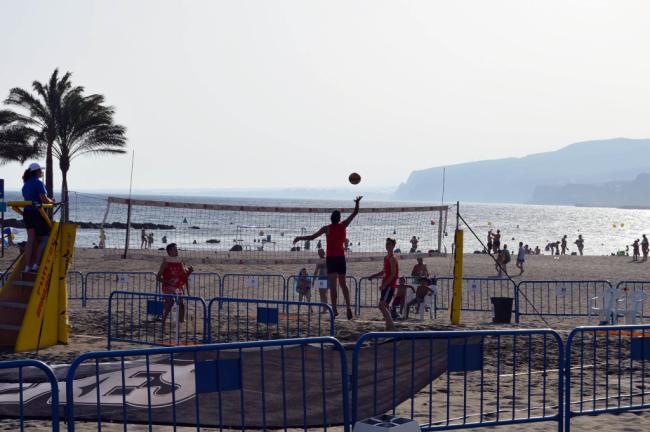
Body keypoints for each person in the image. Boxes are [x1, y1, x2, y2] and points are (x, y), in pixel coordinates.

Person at [293, 196, 362, 319]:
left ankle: (334, 310)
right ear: (339, 218)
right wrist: (357, 203)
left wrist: (299, 238)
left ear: (331, 218)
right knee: (343, 284)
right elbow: (355, 212)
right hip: (340, 258)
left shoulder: (327, 228)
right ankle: (348, 308)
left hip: (331, 259)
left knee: (333, 286)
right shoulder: (343, 225)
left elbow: (312, 237)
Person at [21, 163, 55, 273]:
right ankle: (37, 264)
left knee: (30, 240)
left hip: (27, 213)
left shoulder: (25, 184)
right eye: (41, 170)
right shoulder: (38, 183)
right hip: (37, 213)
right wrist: (52, 202)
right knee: (46, 237)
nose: (42, 172)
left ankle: (27, 266)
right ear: (37, 172)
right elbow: (44, 199)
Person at [156, 243, 193, 330]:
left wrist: (190, 271)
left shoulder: (181, 261)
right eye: (174, 249)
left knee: (182, 304)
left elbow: (185, 276)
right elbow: (158, 277)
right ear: (169, 252)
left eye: (177, 249)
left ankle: (181, 322)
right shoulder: (165, 262)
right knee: (170, 302)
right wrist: (168, 281)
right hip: (167, 286)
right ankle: (163, 321)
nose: (177, 251)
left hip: (178, 286)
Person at [369, 237, 398, 330]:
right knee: (385, 306)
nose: (387, 246)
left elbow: (393, 274)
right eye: (387, 244)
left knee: (381, 306)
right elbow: (384, 271)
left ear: (393, 246)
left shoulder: (392, 258)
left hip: (389, 285)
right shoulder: (386, 258)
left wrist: (385, 285)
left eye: (389, 244)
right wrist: (374, 275)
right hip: (386, 284)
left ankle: (392, 327)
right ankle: (388, 327)